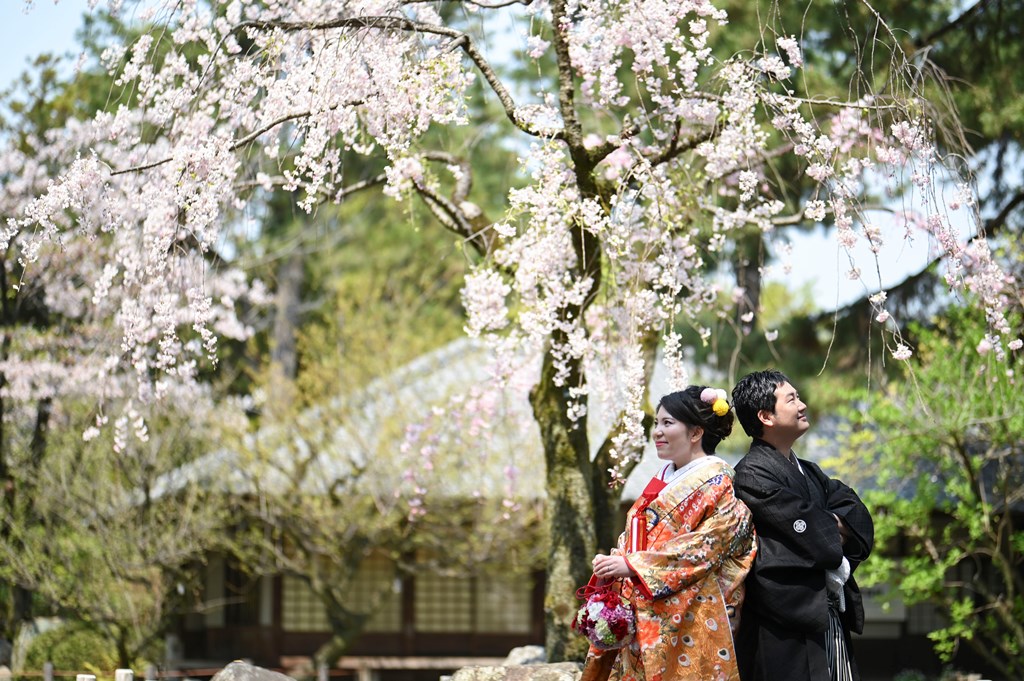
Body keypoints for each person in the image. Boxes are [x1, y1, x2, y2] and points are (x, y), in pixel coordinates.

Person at [588, 386, 757, 681]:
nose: (657, 432)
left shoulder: (718, 482)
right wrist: (615, 564)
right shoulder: (662, 479)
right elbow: (634, 536)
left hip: (686, 613)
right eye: (657, 423)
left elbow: (707, 547)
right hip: (643, 604)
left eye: (668, 423)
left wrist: (634, 566)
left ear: (695, 433)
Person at [730, 369, 874, 681]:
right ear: (766, 416)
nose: (803, 405)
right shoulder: (751, 475)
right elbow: (817, 537)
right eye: (792, 399)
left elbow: (855, 508)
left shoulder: (809, 471)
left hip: (824, 615)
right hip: (780, 626)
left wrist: (824, 521)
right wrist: (833, 523)